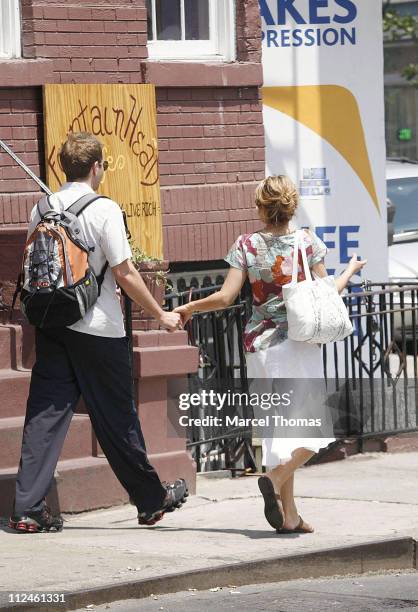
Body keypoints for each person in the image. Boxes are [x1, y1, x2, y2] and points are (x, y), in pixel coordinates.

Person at [9, 132, 188, 533]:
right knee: (116, 417)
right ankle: (150, 500)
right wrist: (160, 313)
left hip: (52, 324)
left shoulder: (41, 207)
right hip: (98, 329)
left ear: (62, 168)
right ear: (96, 168)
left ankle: (27, 509)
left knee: (45, 415)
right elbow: (124, 272)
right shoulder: (104, 209)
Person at [174, 175, 366, 533]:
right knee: (314, 431)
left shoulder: (246, 245)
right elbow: (327, 293)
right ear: (291, 206)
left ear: (261, 208)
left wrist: (190, 308)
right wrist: (351, 270)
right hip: (297, 345)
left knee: (281, 432)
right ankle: (274, 479)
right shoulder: (307, 243)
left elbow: (226, 297)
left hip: (259, 346)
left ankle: (290, 516)